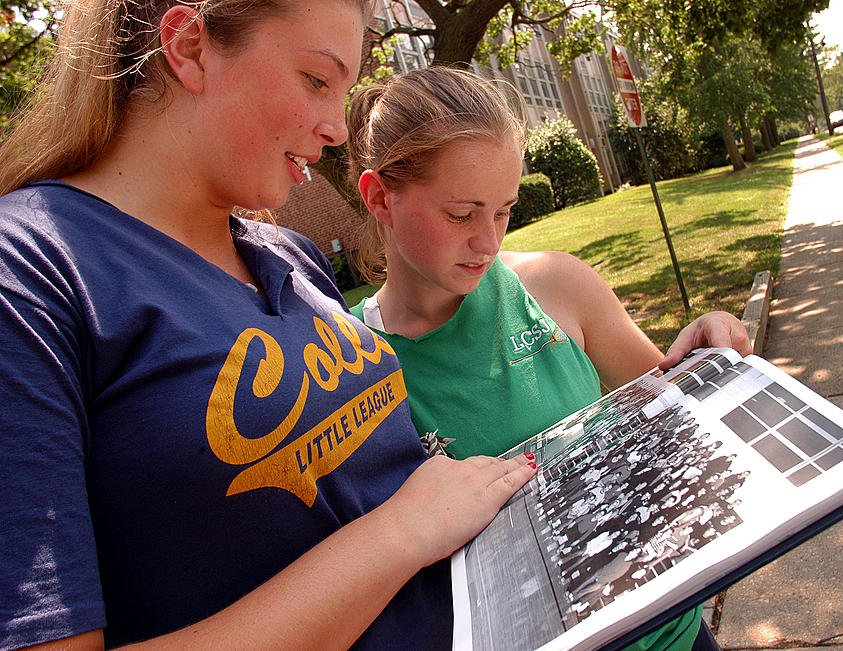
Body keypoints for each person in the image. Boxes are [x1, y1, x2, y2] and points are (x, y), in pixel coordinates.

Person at [0, 2, 537, 650]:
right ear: (190, 47)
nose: (338, 127)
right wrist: (400, 533)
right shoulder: (31, 273)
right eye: (317, 80)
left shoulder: (288, 254)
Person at [345, 67, 752, 650]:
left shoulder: (556, 285)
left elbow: (669, 402)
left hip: (673, 633)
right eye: (461, 215)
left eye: (503, 211)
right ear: (380, 197)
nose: (488, 241)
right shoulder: (352, 368)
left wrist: (710, 341)